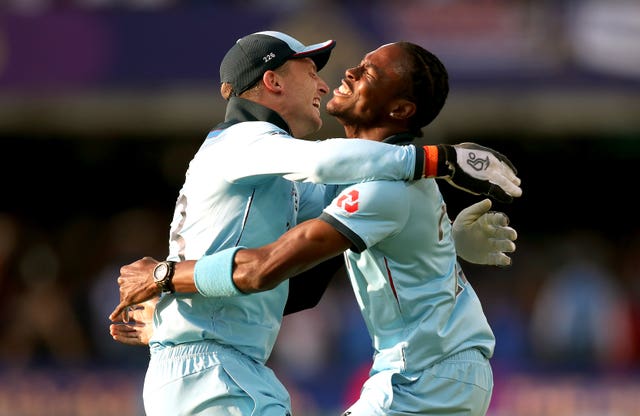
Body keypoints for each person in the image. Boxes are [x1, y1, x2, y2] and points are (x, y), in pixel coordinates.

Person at [110, 31, 521, 416]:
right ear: (272, 81)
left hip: (416, 374)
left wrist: (170, 293)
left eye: (367, 72)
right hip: (219, 370)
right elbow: (321, 171)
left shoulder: (368, 186)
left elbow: (291, 275)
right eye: (311, 74)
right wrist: (441, 161)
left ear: (399, 108)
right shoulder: (243, 141)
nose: (328, 83)